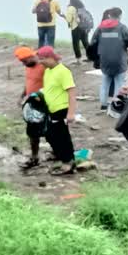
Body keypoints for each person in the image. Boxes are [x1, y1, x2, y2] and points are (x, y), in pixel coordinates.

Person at [36, 46, 77, 176]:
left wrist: (71, 113)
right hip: (50, 109)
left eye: (42, 59)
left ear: (50, 57)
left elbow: (71, 92)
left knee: (62, 136)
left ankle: (68, 163)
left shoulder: (63, 71)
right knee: (49, 134)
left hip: (61, 109)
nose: (40, 62)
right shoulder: (48, 71)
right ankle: (60, 155)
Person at [89, 7, 128, 110]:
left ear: (109, 15)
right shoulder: (122, 28)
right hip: (119, 61)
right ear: (120, 16)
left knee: (105, 82)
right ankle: (116, 105)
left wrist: (96, 57)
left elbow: (93, 43)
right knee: (119, 83)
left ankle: (104, 104)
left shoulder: (100, 28)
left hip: (105, 60)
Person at [14, 47, 46, 169]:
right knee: (32, 132)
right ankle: (34, 157)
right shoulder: (29, 67)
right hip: (31, 103)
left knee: (50, 131)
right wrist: (22, 96)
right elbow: (28, 82)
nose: (24, 64)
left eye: (24, 61)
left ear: (31, 57)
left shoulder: (44, 67)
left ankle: (58, 153)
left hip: (43, 102)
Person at [65, 0, 92, 65]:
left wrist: (64, 16)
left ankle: (79, 60)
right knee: (85, 42)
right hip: (84, 27)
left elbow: (69, 19)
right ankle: (91, 57)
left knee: (76, 44)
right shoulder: (82, 6)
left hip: (76, 28)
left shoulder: (71, 8)